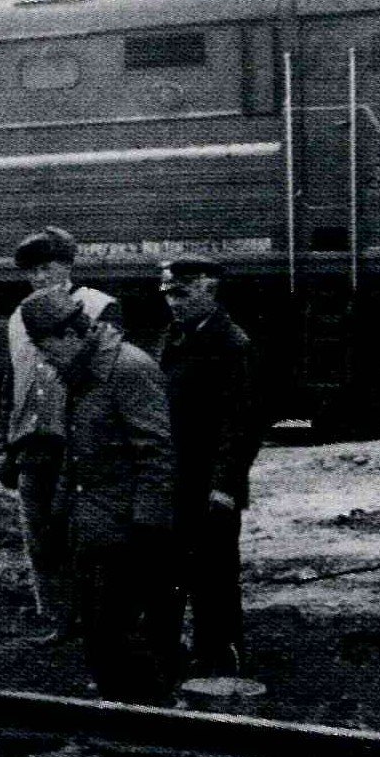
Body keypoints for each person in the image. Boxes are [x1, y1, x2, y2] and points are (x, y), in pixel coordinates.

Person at [19, 285, 178, 705]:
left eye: (45, 346)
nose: (43, 356)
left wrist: (148, 527)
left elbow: (156, 451)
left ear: (71, 336)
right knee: (99, 633)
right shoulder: (83, 374)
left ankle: (153, 718)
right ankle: (121, 720)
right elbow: (77, 453)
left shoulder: (127, 369)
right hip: (92, 526)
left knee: (121, 633)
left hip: (124, 530)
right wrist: (60, 514)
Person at [1, 228, 116, 644]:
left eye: (47, 268)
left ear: (67, 266)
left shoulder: (98, 307)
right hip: (33, 444)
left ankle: (94, 619)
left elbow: (107, 378)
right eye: (32, 271)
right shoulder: (19, 317)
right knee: (40, 536)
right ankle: (58, 618)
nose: (39, 277)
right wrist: (5, 444)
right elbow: (12, 382)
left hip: (76, 443)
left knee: (80, 535)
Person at [157, 256, 264, 679]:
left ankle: (222, 661)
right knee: (174, 571)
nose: (174, 304)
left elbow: (242, 426)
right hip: (176, 480)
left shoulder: (232, 345)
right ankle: (182, 658)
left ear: (210, 291)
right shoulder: (175, 336)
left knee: (214, 579)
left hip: (208, 487)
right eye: (169, 295)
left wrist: (224, 485)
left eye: (182, 294)